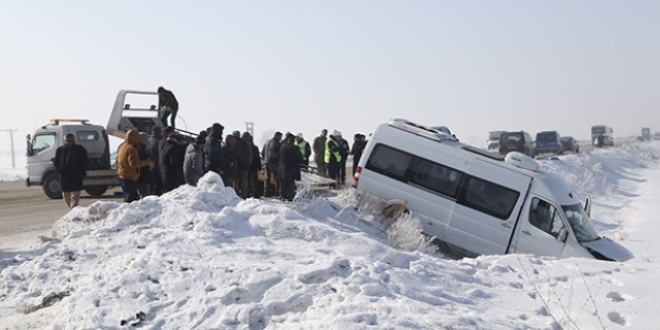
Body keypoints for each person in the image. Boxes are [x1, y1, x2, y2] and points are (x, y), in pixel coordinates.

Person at [52, 133, 88, 209]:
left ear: (73, 141)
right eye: (67, 141)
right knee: (66, 197)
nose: (68, 142)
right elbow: (56, 162)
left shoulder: (80, 150)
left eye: (70, 141)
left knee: (75, 198)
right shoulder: (60, 150)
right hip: (65, 178)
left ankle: (73, 211)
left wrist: (79, 170)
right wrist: (60, 170)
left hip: (76, 177)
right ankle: (72, 211)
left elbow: (85, 161)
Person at [117, 130, 153, 202]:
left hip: (122, 174)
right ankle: (128, 212)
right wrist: (147, 162)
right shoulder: (132, 149)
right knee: (130, 199)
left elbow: (117, 160)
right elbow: (134, 164)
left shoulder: (123, 147)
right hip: (130, 176)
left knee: (128, 197)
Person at [278, 134, 302, 201]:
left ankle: (283, 197)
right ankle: (290, 198)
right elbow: (299, 158)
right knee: (290, 185)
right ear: (293, 141)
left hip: (282, 169)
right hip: (291, 169)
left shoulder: (282, 147)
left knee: (283, 185)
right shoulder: (295, 148)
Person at [232, 131, 253, 198]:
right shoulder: (245, 143)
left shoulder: (233, 144)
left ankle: (236, 195)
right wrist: (248, 163)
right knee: (244, 180)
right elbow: (249, 154)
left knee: (236, 180)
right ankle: (244, 194)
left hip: (236, 165)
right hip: (244, 164)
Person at [262, 131, 282, 197]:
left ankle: (266, 192)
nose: (281, 138)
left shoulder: (267, 142)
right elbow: (278, 153)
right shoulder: (276, 143)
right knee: (276, 177)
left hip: (266, 161)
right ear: (277, 136)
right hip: (273, 162)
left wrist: (264, 159)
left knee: (267, 178)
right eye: (280, 137)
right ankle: (277, 192)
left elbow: (263, 152)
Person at [243, 132, 262, 198]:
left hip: (246, 166)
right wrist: (259, 166)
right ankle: (255, 193)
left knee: (246, 180)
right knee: (254, 181)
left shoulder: (243, 147)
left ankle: (246, 193)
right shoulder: (254, 147)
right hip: (253, 166)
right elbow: (257, 157)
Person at [148, 127, 164, 195]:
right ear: (160, 133)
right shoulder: (160, 142)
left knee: (151, 187)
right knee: (157, 187)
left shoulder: (149, 140)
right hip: (157, 167)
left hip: (149, 167)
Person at [136, 132, 152, 199]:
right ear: (143, 140)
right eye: (147, 139)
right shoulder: (139, 149)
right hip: (142, 175)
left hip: (145, 175)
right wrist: (148, 162)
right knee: (144, 194)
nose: (148, 141)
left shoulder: (144, 148)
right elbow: (141, 160)